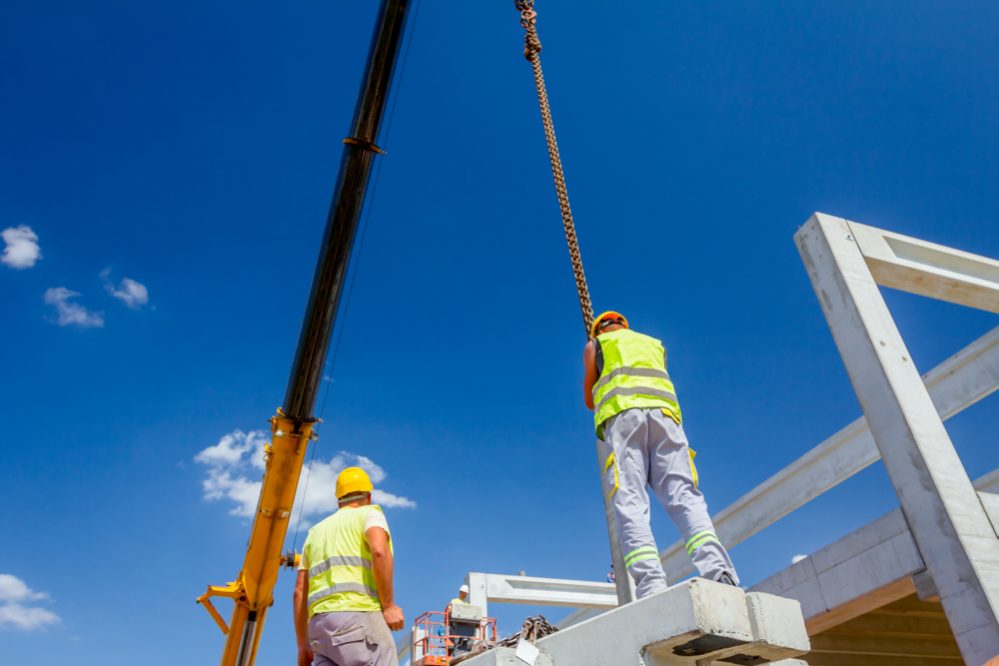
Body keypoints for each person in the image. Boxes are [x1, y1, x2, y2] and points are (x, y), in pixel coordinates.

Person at [583, 311, 739, 599]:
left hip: (624, 418)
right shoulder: (654, 344)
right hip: (666, 419)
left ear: (597, 331)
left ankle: (652, 586)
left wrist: (594, 360)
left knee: (630, 499)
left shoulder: (596, 346)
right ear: (624, 325)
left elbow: (590, 399)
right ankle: (720, 572)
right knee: (684, 495)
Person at [293, 466, 404, 666]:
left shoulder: (314, 533)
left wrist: (302, 645)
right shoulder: (369, 514)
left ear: (338, 502)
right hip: (358, 618)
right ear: (368, 497)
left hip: (320, 631)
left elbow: (299, 591)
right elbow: (379, 551)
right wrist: (388, 606)